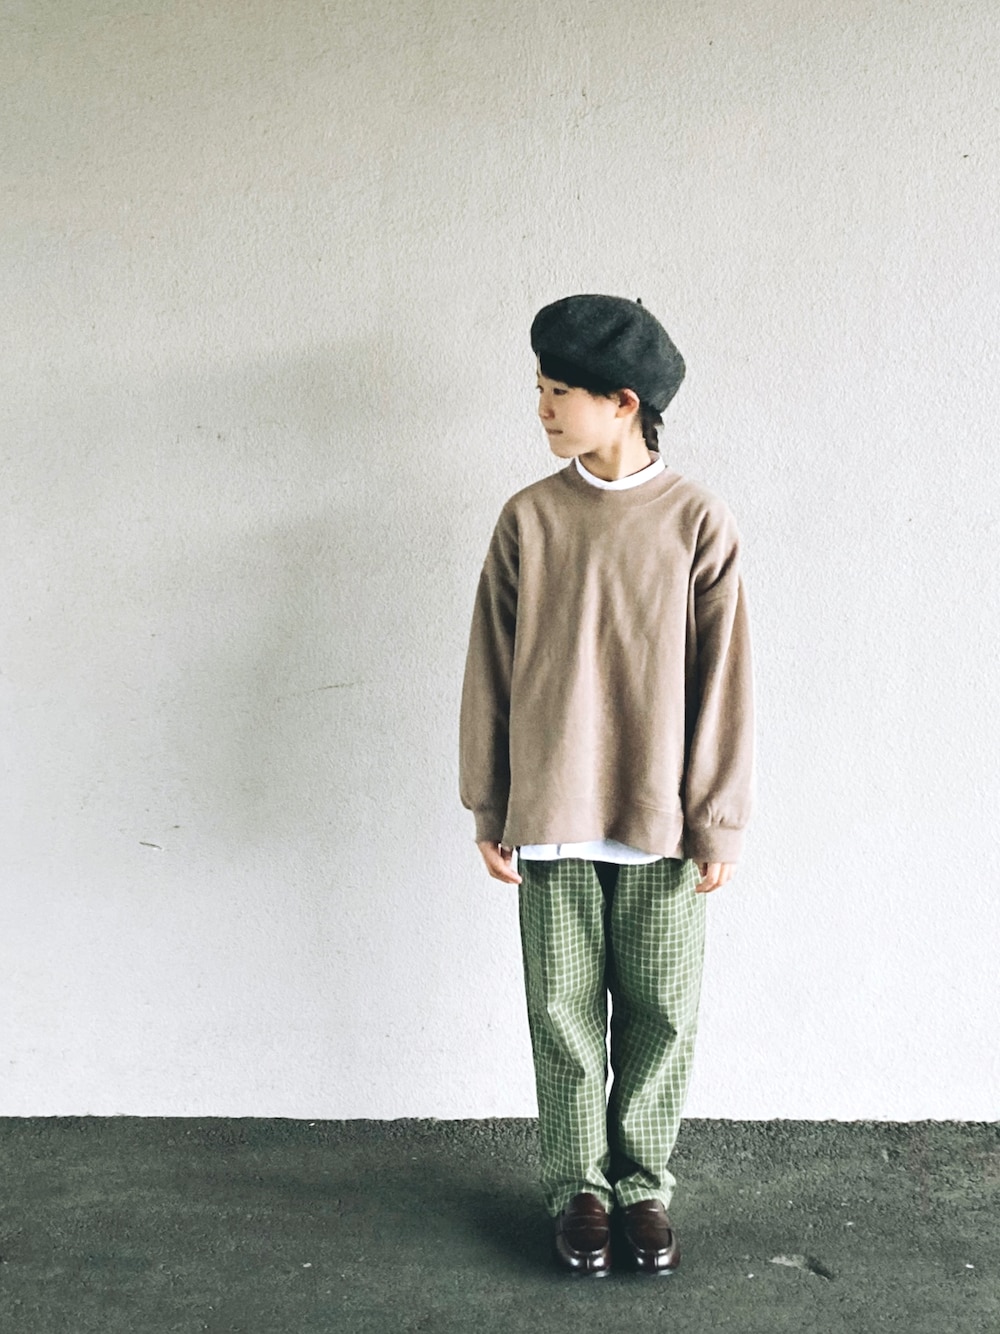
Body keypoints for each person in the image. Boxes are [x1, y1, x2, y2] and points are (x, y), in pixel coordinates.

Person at [458, 293, 754, 1277]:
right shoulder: (529, 519)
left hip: (660, 817)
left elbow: (724, 683)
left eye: (559, 391)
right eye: (540, 388)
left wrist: (717, 819)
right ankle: (578, 1187)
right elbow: (489, 666)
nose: (542, 407)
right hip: (550, 813)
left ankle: (642, 1187)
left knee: (662, 1010)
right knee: (562, 1012)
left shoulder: (696, 521)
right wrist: (488, 800)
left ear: (622, 401)